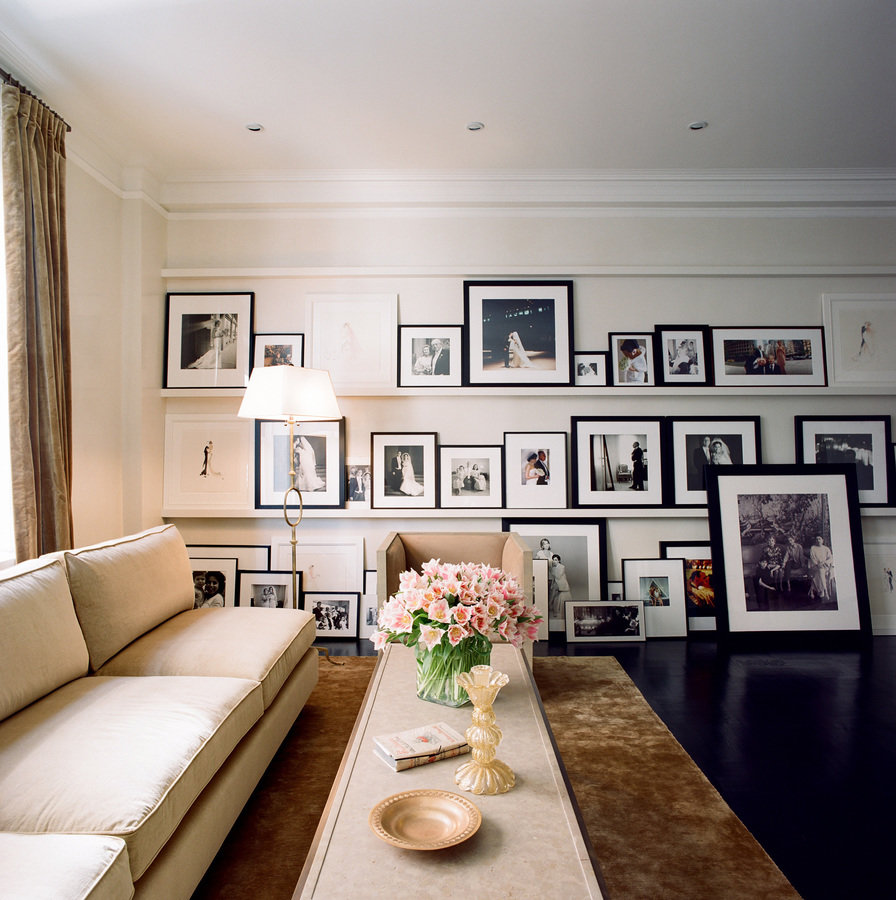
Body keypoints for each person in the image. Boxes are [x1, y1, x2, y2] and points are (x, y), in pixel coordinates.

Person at [808, 535, 835, 602]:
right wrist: (817, 564)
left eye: (819, 539)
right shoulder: (813, 548)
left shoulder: (826, 549)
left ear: (822, 540)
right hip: (815, 566)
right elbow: (812, 558)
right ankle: (824, 591)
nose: (818, 540)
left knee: (820, 571)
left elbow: (830, 558)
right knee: (820, 571)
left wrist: (824, 562)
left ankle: (818, 590)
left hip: (825, 566)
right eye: (817, 539)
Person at [549, 554, 571, 618]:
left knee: (553, 595)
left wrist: (552, 570)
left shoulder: (562, 567)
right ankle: (554, 610)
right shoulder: (553, 568)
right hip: (556, 583)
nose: (554, 561)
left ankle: (550, 604)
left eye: (555, 560)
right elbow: (554, 578)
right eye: (553, 560)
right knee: (554, 596)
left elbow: (558, 576)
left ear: (559, 561)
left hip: (561, 584)